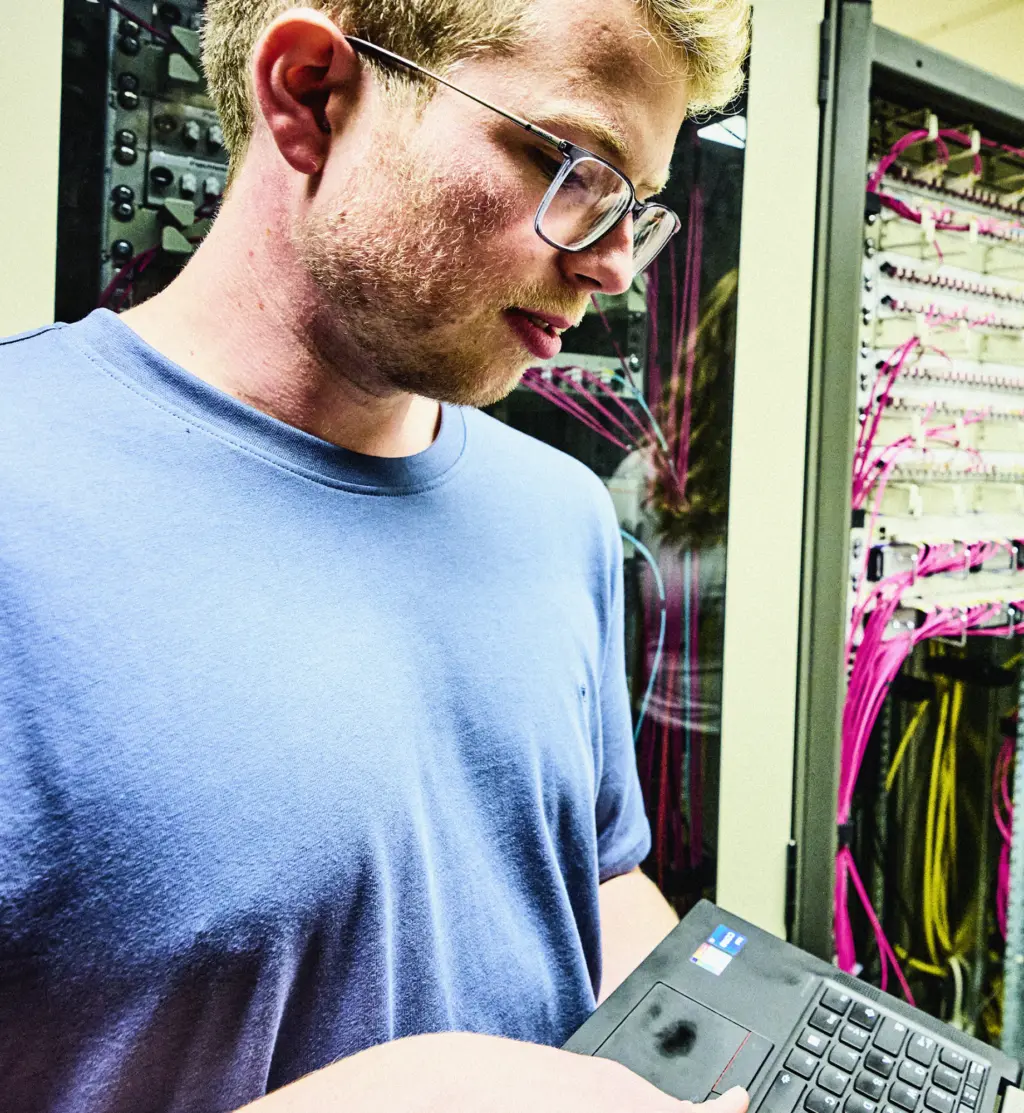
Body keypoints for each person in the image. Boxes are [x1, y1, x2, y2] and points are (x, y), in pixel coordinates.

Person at [0, 0, 750, 1109]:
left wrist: (745, 1053)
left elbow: (589, 877)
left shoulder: (560, 516)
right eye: (572, 168)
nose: (613, 272)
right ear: (312, 92)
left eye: (631, 208)